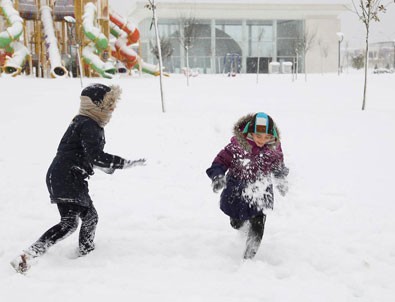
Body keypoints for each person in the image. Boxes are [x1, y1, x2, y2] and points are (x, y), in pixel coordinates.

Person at [11, 83, 146, 273]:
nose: (113, 109)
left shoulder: (83, 121)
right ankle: (79, 254)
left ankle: (32, 255)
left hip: (61, 175)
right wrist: (122, 163)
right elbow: (96, 156)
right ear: (97, 105)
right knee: (80, 220)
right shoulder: (89, 124)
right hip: (68, 176)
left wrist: (106, 167)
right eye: (110, 104)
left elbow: (86, 155)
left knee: (77, 220)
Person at [206, 112, 289, 259]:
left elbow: (278, 165)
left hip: (261, 188)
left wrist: (281, 178)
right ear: (250, 133)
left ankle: (250, 256)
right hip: (237, 189)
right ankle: (241, 224)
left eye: (267, 137)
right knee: (237, 223)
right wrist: (217, 176)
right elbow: (220, 161)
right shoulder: (237, 146)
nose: (262, 141)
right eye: (259, 136)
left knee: (258, 221)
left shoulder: (274, 148)